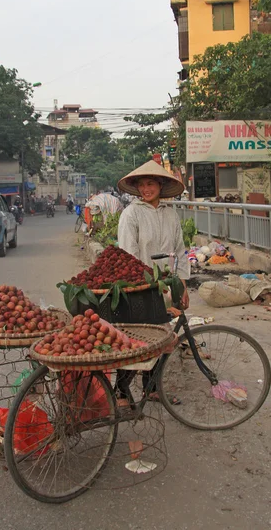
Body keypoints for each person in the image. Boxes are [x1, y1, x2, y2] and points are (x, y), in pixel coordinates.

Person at [115, 160, 190, 406]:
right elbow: (128, 254)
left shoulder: (170, 213)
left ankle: (152, 388)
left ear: (160, 185)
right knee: (137, 340)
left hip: (166, 285)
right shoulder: (131, 214)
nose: (146, 189)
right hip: (140, 286)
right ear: (136, 189)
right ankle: (121, 392)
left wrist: (182, 284)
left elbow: (179, 250)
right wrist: (146, 283)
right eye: (142, 185)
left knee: (161, 337)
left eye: (151, 184)